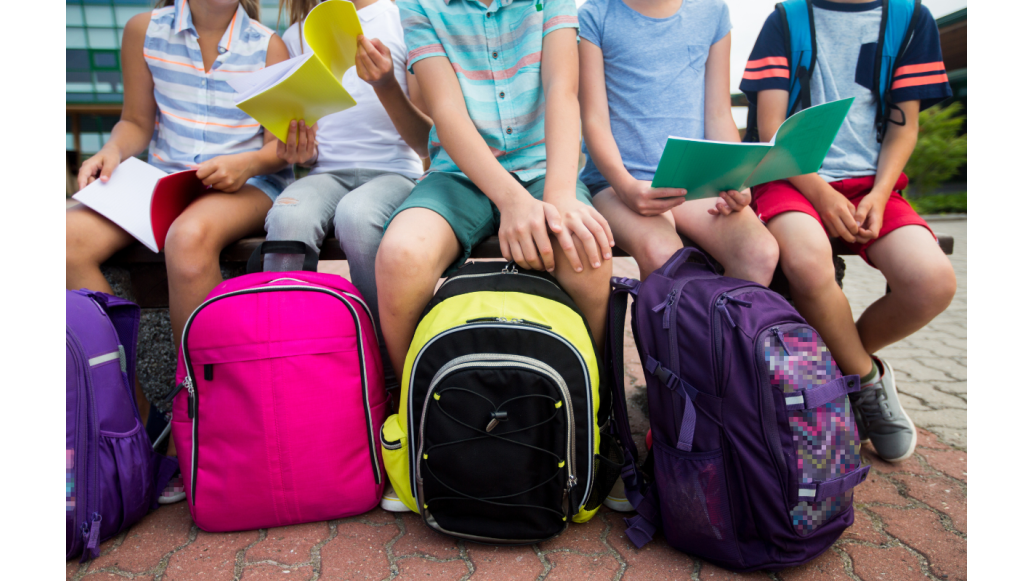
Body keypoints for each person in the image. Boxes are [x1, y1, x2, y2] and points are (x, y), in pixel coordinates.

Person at [376, 0, 614, 509]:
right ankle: (412, 416)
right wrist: (510, 201)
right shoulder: (419, 6)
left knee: (585, 253)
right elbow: (446, 112)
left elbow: (562, 91)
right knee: (399, 257)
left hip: (543, 167)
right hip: (458, 174)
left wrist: (559, 195)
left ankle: (592, 418)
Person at [65, 0, 293, 503]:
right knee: (68, 239)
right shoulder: (143, 31)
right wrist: (111, 151)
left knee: (186, 240)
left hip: (245, 187)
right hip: (164, 184)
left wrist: (245, 162)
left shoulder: (267, 45)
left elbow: (283, 146)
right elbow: (135, 123)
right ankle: (137, 417)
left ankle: (206, 423)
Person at [741, 0, 956, 462]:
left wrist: (879, 195)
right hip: (790, 176)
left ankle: (833, 368)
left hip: (870, 183)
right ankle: (864, 379)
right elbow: (772, 129)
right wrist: (821, 194)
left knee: (932, 282)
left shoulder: (909, 19)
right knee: (803, 260)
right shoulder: (786, 18)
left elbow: (905, 126)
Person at [263, 0, 432, 399]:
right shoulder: (297, 34)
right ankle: (290, 369)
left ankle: (390, 376)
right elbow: (302, 150)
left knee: (357, 218)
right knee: (288, 217)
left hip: (395, 171)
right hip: (324, 173)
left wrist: (386, 82)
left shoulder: (407, 19)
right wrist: (298, 151)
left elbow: (428, 141)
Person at [578, 0, 780, 283]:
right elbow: (594, 120)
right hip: (617, 184)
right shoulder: (594, 15)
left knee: (759, 252)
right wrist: (626, 187)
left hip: (695, 183)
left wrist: (737, 179)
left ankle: (722, 326)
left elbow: (719, 113)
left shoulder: (713, 12)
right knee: (664, 255)